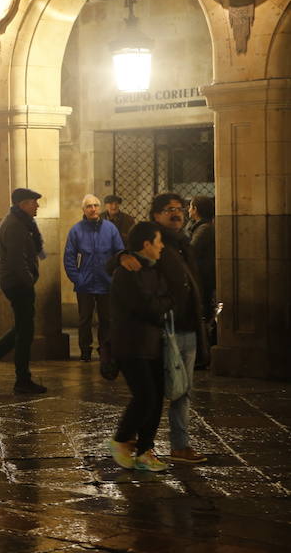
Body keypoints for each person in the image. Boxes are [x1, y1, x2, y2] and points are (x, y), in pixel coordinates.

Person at [114, 193, 208, 463]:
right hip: (164, 328)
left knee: (182, 389)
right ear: (155, 215)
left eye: (179, 209)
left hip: (188, 326)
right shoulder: (150, 241)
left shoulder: (184, 242)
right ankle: (143, 446)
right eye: (168, 210)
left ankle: (177, 445)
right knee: (153, 394)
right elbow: (120, 262)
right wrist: (121, 256)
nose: (176, 214)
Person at [108, 221, 172, 472]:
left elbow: (164, 298)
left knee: (155, 398)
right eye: (158, 242)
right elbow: (145, 307)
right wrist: (163, 305)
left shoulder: (155, 268)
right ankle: (121, 439)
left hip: (153, 341)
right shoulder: (126, 272)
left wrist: (162, 303)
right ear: (147, 245)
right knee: (144, 396)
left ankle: (145, 450)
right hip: (131, 343)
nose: (162, 246)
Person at [0, 188, 47, 394]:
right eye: (34, 202)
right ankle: (21, 379)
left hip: (17, 282)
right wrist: (29, 280)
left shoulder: (22, 222)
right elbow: (16, 260)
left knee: (23, 329)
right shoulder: (15, 225)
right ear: (23, 204)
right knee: (25, 331)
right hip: (18, 284)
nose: (37, 206)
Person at [63, 194, 124, 362]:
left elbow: (120, 253)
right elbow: (69, 257)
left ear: (100, 208)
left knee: (107, 319)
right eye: (89, 206)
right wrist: (78, 278)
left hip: (106, 283)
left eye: (96, 205)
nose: (93, 209)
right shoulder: (76, 230)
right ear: (84, 210)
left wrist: (114, 277)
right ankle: (85, 351)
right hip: (85, 283)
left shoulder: (110, 229)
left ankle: (105, 349)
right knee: (84, 320)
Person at [187, 195, 216, 347]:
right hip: (202, 275)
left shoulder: (203, 229)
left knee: (203, 311)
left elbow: (191, 250)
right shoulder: (199, 227)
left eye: (190, 206)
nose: (188, 210)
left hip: (203, 277)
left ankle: (204, 348)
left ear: (196, 209)